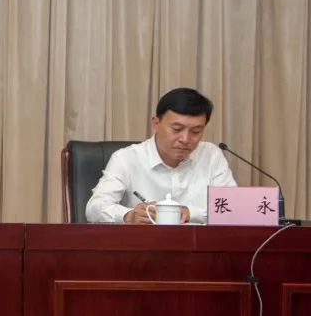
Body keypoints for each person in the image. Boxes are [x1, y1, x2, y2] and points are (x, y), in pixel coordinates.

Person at [86, 87, 235, 224]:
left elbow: (233, 208)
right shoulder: (126, 159)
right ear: (156, 124)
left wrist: (191, 213)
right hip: (146, 243)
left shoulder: (211, 156)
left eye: (195, 132)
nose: (185, 139)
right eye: (177, 129)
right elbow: (95, 208)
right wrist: (128, 215)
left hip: (200, 242)